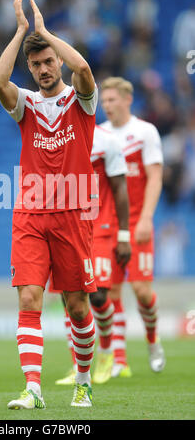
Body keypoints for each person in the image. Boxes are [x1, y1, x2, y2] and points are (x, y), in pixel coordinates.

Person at [0, 0, 99, 409]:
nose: (42, 69)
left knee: (76, 306)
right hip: (31, 213)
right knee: (29, 298)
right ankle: (32, 388)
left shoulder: (81, 100)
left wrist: (46, 33)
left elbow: (85, 68)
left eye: (48, 61)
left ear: (58, 60)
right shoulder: (27, 105)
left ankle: (84, 381)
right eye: (35, 64)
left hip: (73, 214)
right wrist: (21, 32)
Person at [54, 125, 131, 386]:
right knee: (68, 299)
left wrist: (123, 235)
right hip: (68, 227)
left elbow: (120, 187)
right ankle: (77, 365)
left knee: (98, 296)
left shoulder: (106, 140)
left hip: (100, 226)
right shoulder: (57, 135)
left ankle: (108, 353)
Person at [99, 77, 165, 377]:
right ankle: (119, 359)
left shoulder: (144, 132)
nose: (107, 106)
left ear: (127, 99)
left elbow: (154, 177)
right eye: (104, 101)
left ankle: (153, 341)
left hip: (137, 221)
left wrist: (147, 218)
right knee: (110, 292)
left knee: (140, 290)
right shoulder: (98, 133)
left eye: (112, 100)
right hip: (109, 224)